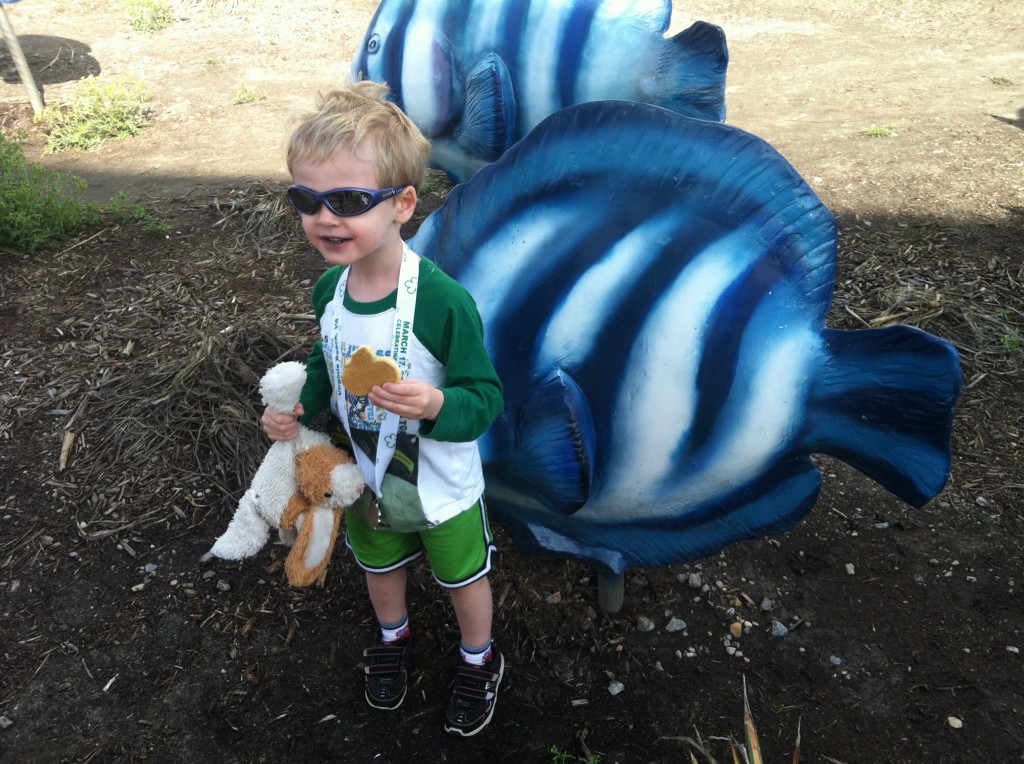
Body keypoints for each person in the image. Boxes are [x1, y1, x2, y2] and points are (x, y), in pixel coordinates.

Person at [262, 81, 505, 737]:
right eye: (305, 200)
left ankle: (479, 656)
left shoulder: (442, 302)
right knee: (379, 564)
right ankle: (392, 640)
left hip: (440, 484)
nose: (324, 217)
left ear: (402, 204)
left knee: (461, 574)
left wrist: (434, 403)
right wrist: (302, 409)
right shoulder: (328, 291)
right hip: (368, 475)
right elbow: (327, 362)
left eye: (346, 200)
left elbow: (485, 399)